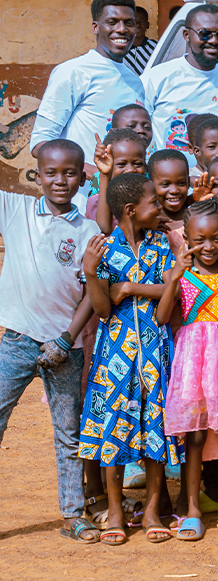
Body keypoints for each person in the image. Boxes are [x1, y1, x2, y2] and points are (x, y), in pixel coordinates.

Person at [0, 140, 101, 544]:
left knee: (68, 434)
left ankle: (73, 515)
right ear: (36, 175)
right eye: (52, 173)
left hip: (65, 348)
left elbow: (91, 295)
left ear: (82, 176)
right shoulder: (15, 209)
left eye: (70, 173)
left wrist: (67, 338)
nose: (61, 180)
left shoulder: (88, 229)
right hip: (16, 341)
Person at [80, 172, 179, 545]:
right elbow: (104, 309)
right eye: (154, 202)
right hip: (115, 354)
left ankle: (152, 508)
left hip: (155, 350)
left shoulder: (161, 243)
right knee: (113, 429)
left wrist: (133, 288)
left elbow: (173, 288)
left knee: (154, 426)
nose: (160, 206)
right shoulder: (104, 249)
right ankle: (117, 509)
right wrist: (91, 273)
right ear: (130, 210)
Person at [159, 199, 218, 540]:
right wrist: (174, 278)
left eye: (215, 238)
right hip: (193, 362)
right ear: (186, 238)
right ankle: (192, 509)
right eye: (199, 239)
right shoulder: (180, 276)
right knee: (194, 436)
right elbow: (163, 317)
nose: (208, 246)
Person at [29, 0, 144, 207]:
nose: (122, 29)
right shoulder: (73, 72)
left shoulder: (135, 82)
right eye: (112, 22)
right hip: (81, 205)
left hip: (125, 206)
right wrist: (97, 176)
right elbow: (40, 142)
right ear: (95, 27)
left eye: (129, 23)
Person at [142, 4, 218, 161]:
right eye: (205, 34)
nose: (214, 41)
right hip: (166, 183)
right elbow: (133, 130)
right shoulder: (156, 78)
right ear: (187, 35)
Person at [123, 6, 158, 76]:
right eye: (134, 22)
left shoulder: (157, 46)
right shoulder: (119, 48)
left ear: (147, 25)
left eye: (141, 21)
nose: (138, 24)